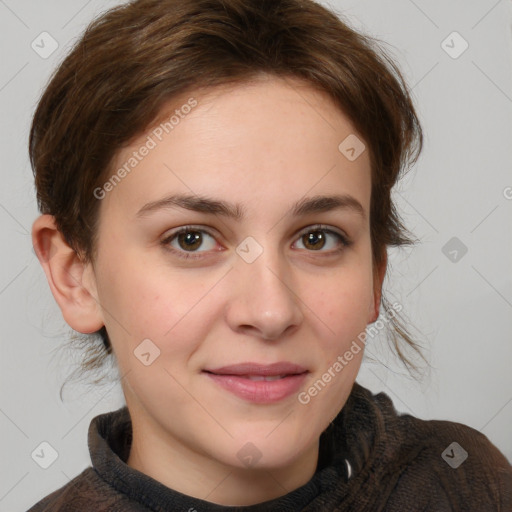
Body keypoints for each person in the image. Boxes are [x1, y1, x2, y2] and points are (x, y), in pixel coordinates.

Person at [27, 0, 512, 510]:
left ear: (375, 274)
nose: (270, 312)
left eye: (317, 238)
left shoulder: (466, 484)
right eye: (191, 239)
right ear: (75, 276)